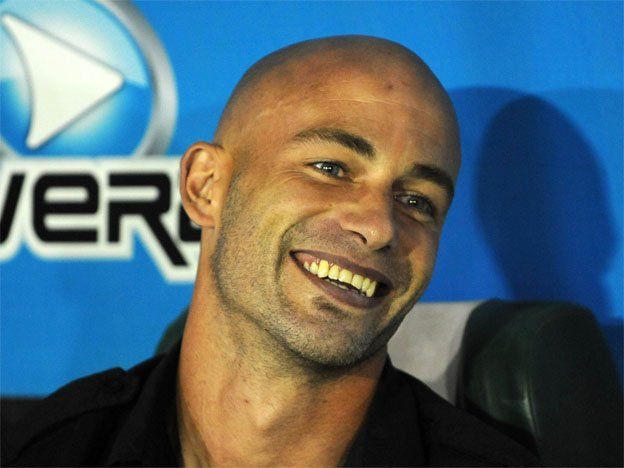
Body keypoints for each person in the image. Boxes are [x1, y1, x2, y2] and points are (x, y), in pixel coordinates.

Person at [4, 35, 539, 467]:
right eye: (330, 168)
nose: (380, 226)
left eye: (418, 201)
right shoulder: (52, 452)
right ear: (205, 187)